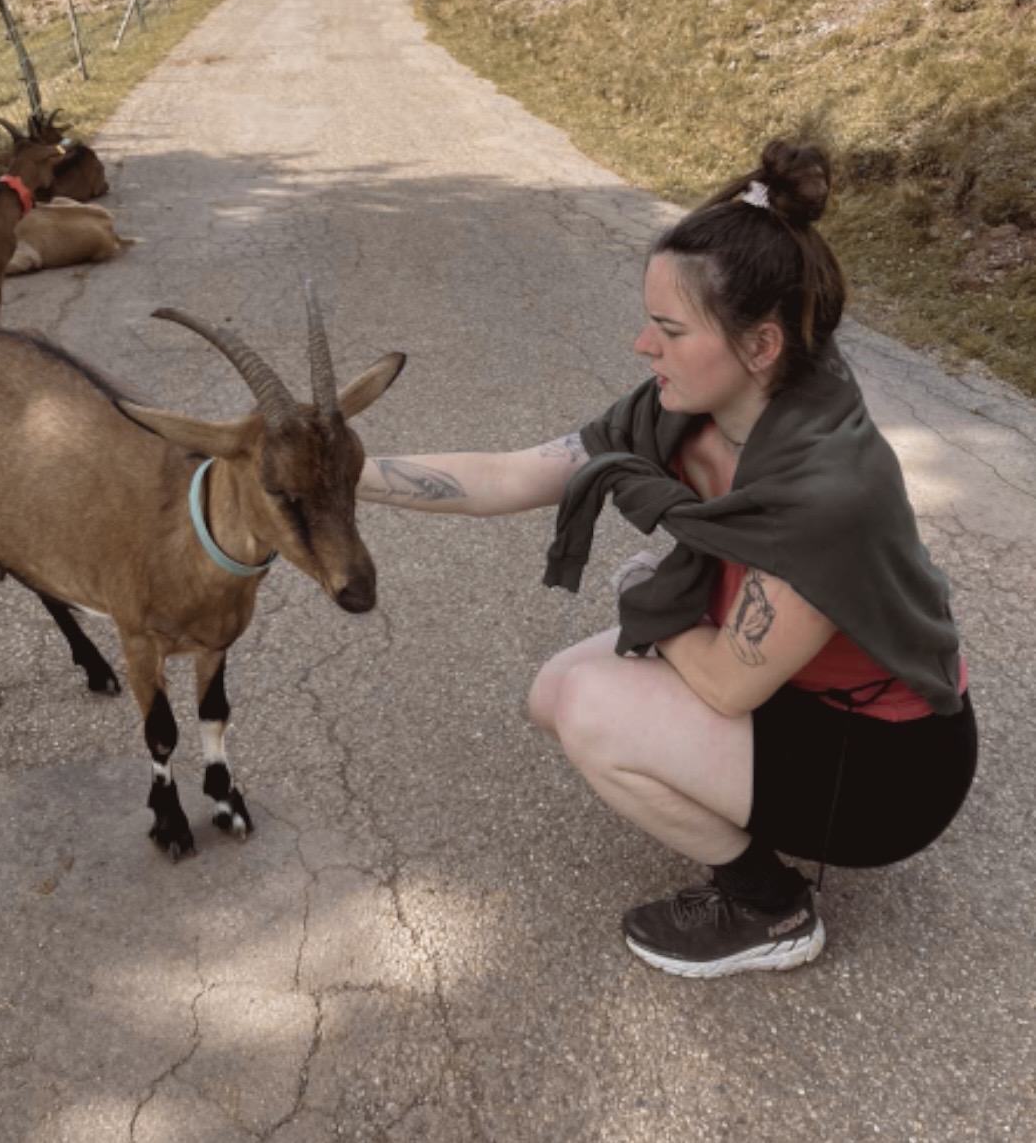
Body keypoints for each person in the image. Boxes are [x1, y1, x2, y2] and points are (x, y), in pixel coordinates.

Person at [356, 139, 977, 978]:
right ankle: (739, 812)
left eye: (671, 329)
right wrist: (345, 475)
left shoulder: (827, 493)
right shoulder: (683, 411)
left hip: (887, 764)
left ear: (761, 345)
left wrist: (652, 590)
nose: (643, 344)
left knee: (590, 708)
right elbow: (513, 473)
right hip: (792, 685)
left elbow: (725, 683)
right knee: (554, 692)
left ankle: (771, 908)